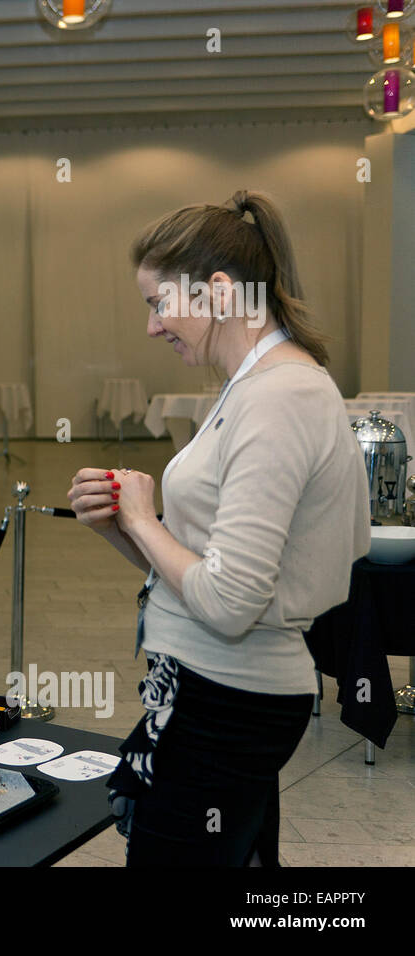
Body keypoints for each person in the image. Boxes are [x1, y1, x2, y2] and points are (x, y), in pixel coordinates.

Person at [66, 189, 370, 866]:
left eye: (157, 303)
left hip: (228, 702)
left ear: (218, 293)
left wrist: (145, 519)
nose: (151, 326)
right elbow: (201, 571)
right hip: (215, 692)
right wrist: (122, 527)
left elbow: (231, 604)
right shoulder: (251, 387)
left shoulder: (281, 396)